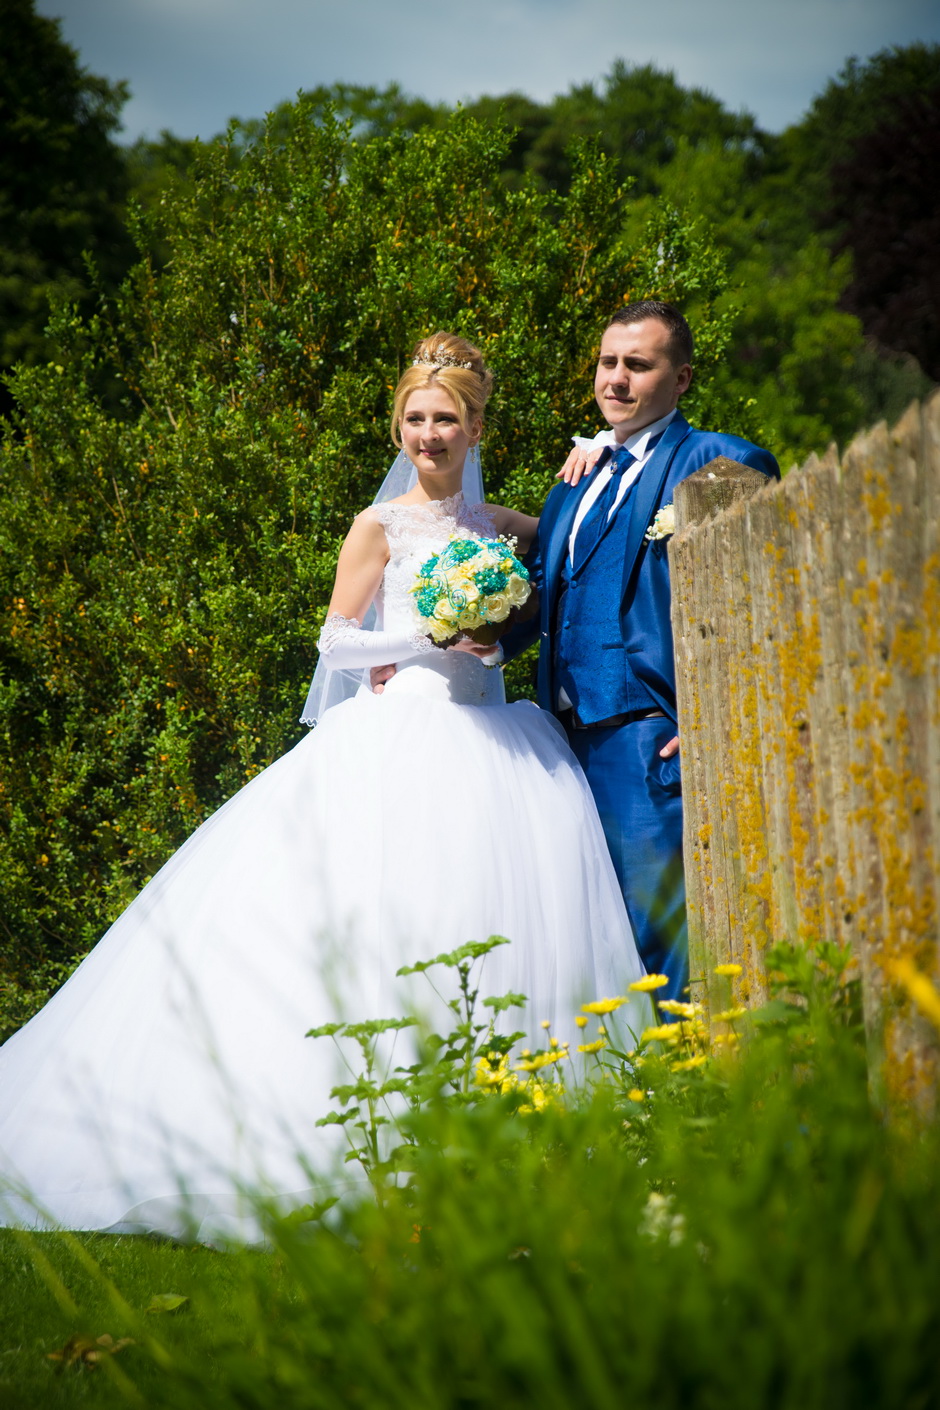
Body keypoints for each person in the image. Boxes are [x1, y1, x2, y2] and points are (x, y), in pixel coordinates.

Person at [0, 332, 650, 1244]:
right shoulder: (378, 527)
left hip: (499, 745)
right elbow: (336, 644)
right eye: (417, 420)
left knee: (495, 925)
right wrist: (422, 639)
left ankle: (509, 1139)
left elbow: (563, 571)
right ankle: (379, 1139)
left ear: (475, 427)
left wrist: (584, 467)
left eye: (448, 420)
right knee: (389, 928)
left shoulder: (507, 527)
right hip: (399, 741)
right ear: (400, 426)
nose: (431, 435)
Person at [504, 302, 780, 1002]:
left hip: (647, 734)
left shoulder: (719, 460)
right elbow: (545, 596)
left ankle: (686, 1096)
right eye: (608, 363)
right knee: (580, 934)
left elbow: (766, 594)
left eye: (639, 364)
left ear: (681, 378)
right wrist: (456, 640)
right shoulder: (574, 480)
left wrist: (721, 710)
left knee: (656, 934)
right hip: (559, 746)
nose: (617, 379)